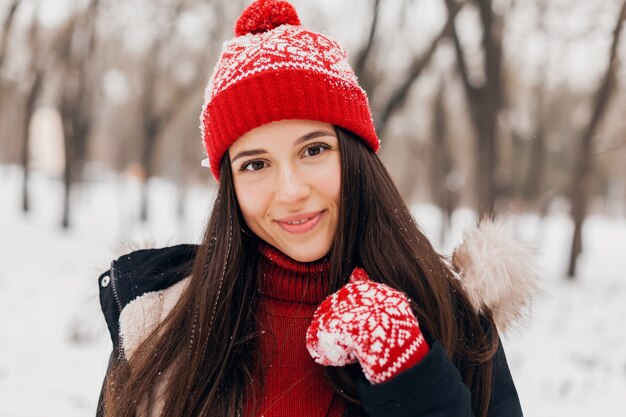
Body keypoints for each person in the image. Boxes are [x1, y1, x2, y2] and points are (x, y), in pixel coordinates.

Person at [96, 1, 536, 416]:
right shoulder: (158, 321)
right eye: (255, 164)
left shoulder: (449, 309)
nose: (290, 191)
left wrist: (414, 380)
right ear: (230, 186)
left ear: (356, 157)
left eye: (314, 151)